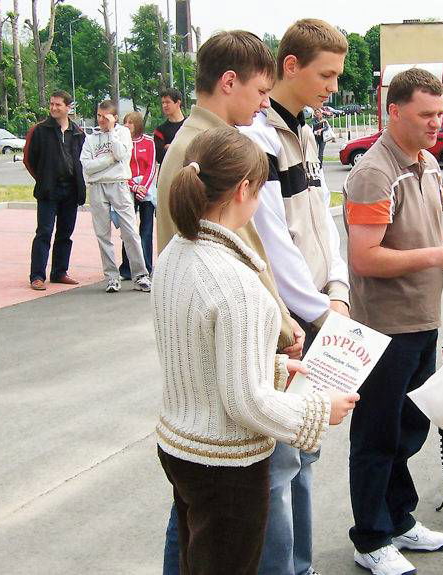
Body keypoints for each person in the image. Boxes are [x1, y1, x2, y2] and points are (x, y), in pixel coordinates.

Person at [154, 127, 359, 575]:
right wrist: (320, 409)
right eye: (263, 186)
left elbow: (202, 353)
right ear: (245, 189)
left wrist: (278, 365)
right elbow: (246, 401)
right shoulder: (234, 281)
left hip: (181, 447)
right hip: (226, 464)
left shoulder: (174, 254)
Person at [154, 30, 306, 575]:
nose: (266, 101)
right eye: (262, 90)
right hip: (221, 431)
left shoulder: (210, 144)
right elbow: (220, 275)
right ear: (228, 82)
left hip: (201, 417)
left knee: (201, 526)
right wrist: (277, 330)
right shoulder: (205, 151)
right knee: (215, 531)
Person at [343, 67, 443, 575]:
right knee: (377, 437)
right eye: (426, 114)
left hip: (421, 321)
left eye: (440, 112)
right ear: (394, 110)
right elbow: (365, 258)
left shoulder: (425, 163)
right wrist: (440, 255)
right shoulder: (374, 173)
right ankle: (370, 537)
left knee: (408, 430)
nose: (436, 123)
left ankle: (399, 519)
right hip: (384, 327)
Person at [238, 19, 350, 575]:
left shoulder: (304, 132)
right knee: (283, 465)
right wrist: (316, 309)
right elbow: (274, 240)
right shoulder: (257, 138)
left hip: (320, 312)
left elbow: (325, 222)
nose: (332, 86)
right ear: (290, 66)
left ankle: (301, 565)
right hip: (289, 324)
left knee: (308, 454)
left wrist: (341, 292)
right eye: (324, 74)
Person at [80, 100, 151, 293]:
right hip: (97, 186)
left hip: (119, 184)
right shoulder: (91, 138)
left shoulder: (123, 133)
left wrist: (111, 133)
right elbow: (87, 165)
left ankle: (140, 275)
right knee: (103, 233)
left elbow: (121, 155)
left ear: (115, 118)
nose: (101, 120)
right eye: (99, 116)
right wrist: (108, 160)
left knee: (130, 230)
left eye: (106, 117)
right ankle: (112, 277)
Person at [23, 90, 86, 291]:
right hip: (48, 190)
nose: (53, 108)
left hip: (71, 190)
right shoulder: (39, 131)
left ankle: (59, 272)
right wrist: (43, 178)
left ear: (68, 107)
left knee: (65, 233)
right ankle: (37, 276)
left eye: (58, 105)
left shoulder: (77, 132)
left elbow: (82, 160)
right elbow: (29, 159)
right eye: (51, 104)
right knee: (44, 232)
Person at [119, 111, 156, 280]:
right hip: (128, 189)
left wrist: (144, 187)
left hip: (146, 191)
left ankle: (147, 266)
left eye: (131, 123)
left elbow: (151, 166)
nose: (127, 126)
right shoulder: (121, 143)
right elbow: (121, 167)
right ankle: (127, 267)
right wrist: (133, 186)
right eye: (125, 122)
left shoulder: (148, 142)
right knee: (128, 230)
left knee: (146, 230)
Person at [154, 88, 187, 165]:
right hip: (168, 173)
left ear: (178, 103)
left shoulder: (190, 125)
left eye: (168, 102)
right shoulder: (160, 130)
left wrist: (170, 147)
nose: (164, 105)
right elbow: (159, 157)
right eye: (163, 102)